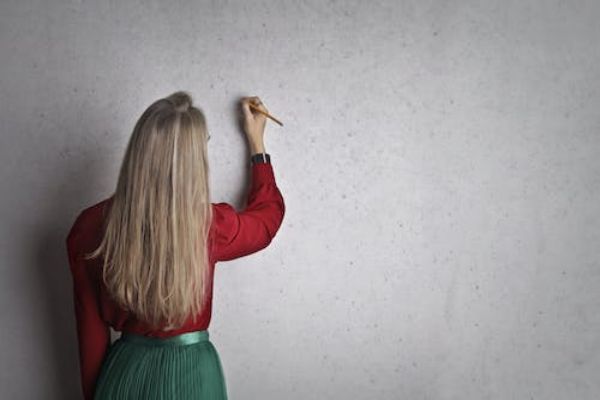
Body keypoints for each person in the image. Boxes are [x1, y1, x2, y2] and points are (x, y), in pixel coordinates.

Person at [65, 92, 285, 400]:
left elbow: (90, 336)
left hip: (123, 376)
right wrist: (257, 145)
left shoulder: (88, 228)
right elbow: (266, 220)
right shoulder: (210, 225)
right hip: (191, 376)